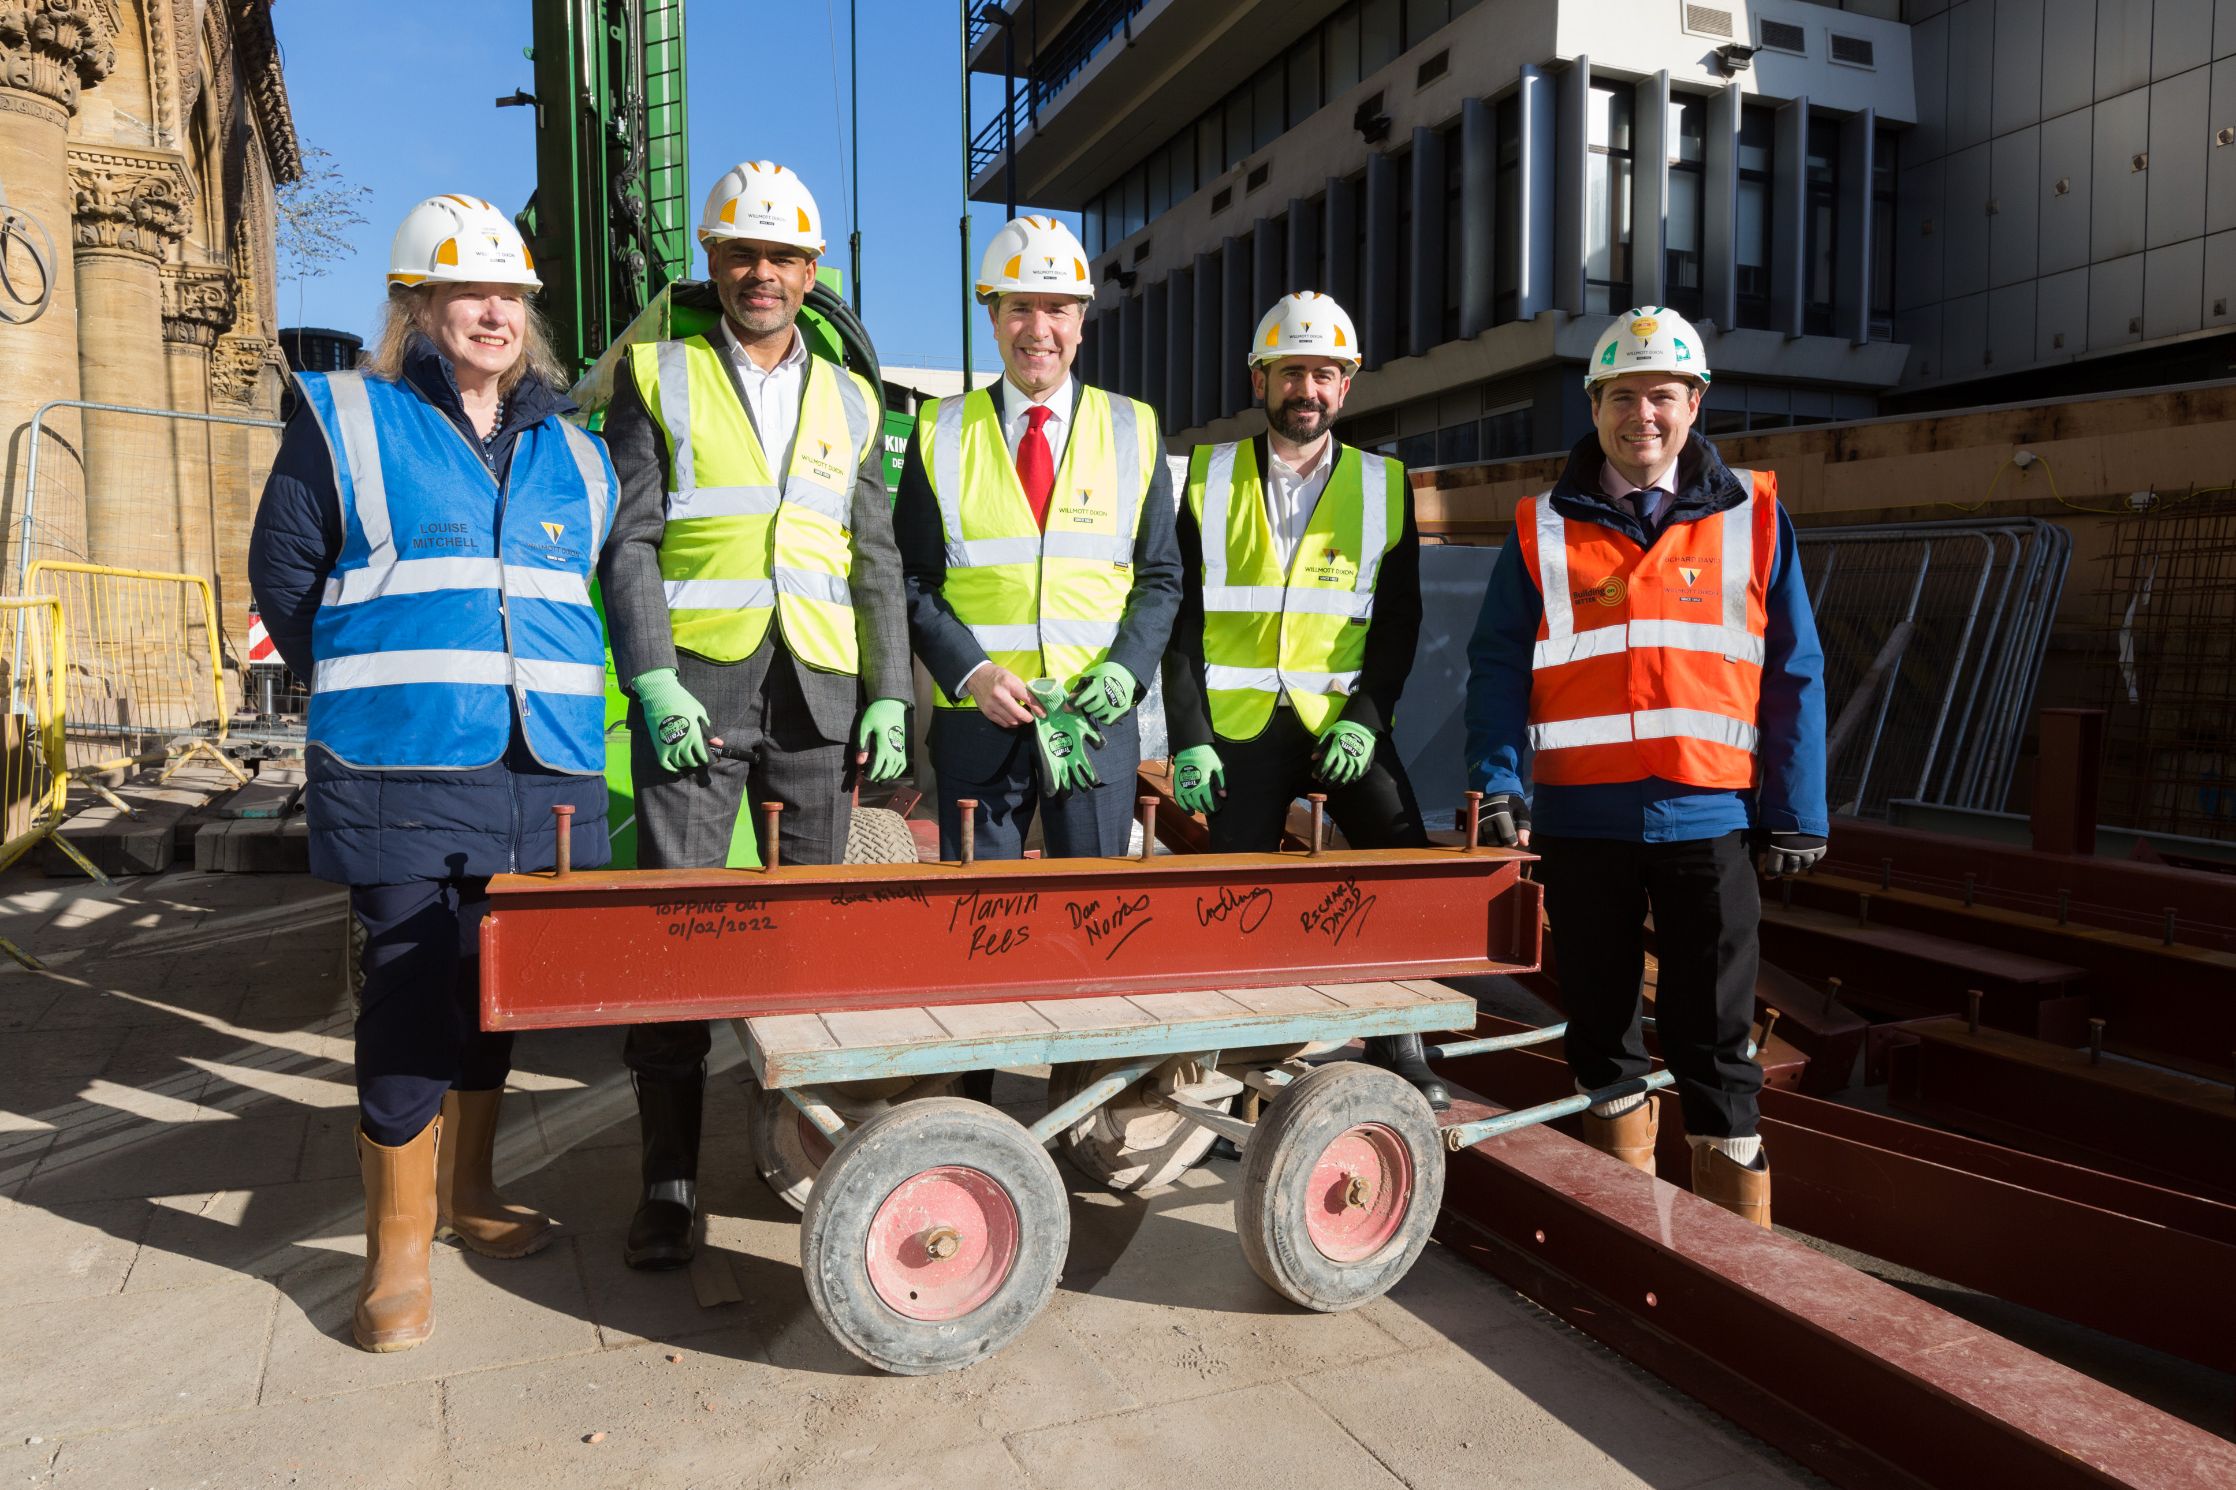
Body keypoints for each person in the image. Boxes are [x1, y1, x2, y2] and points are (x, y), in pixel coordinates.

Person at [248, 194, 618, 1350]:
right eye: (468, 292)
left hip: (539, 769)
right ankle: (395, 1256)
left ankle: (467, 1194)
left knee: (495, 983)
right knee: (409, 991)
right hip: (401, 760)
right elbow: (285, 575)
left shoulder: (577, 452)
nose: (493, 313)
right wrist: (376, 678)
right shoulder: (347, 417)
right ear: (415, 304)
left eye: (510, 295)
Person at [596, 159, 910, 1270]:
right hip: (699, 684)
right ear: (711, 261)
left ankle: (808, 1148)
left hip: (819, 694)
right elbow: (628, 539)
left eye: (781, 255)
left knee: (814, 938)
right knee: (679, 931)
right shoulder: (657, 374)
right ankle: (669, 1184)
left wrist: (889, 693)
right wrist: (651, 677)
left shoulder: (855, 398)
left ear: (812, 271)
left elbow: (874, 558)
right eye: (741, 252)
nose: (761, 271)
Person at [1462, 305, 1828, 1227]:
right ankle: (1629, 1231)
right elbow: (1499, 661)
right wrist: (1498, 778)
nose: (1644, 416)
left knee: (1718, 1046)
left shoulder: (1755, 517)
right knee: (1600, 1035)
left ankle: (1736, 1256)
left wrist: (1797, 808)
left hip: (1710, 822)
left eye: (1662, 395)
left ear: (1695, 401)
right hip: (1584, 826)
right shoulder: (1542, 528)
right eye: (1623, 396)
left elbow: (1793, 669)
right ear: (1594, 406)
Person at [1162, 291, 1445, 1109]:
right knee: (1235, 895)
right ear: (1260, 380)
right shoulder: (1208, 479)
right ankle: (1234, 1065)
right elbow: (1182, 619)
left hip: (1340, 722)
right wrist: (1189, 737)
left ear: (1346, 385)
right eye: (1292, 372)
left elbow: (1398, 625)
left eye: (1324, 373)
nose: (1307, 390)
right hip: (1239, 730)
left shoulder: (1386, 486)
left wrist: (1366, 718)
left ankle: (1402, 1043)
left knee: (1399, 856)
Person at [893, 214, 1180, 859]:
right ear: (992, 318)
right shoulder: (938, 431)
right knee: (980, 928)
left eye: (1057, 309)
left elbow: (1161, 576)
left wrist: (1126, 672)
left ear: (1081, 319)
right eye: (1020, 307)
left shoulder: (1136, 427)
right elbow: (913, 579)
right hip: (978, 727)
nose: (1038, 329)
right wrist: (972, 675)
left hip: (1095, 727)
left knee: (1092, 925)